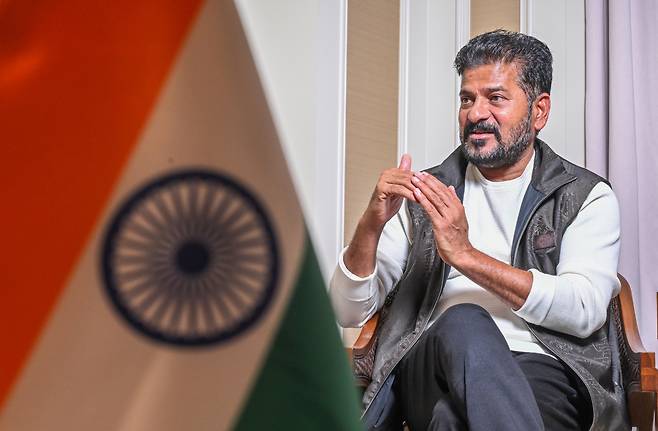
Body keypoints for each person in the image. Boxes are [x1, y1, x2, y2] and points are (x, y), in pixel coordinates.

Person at [329, 30, 626, 430]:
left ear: (539, 111)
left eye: (495, 98)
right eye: (467, 98)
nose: (475, 113)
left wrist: (465, 255)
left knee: (449, 420)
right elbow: (347, 311)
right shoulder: (422, 195)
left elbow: (585, 310)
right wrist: (370, 224)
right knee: (465, 320)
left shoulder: (584, 196)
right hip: (429, 367)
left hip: (544, 371)